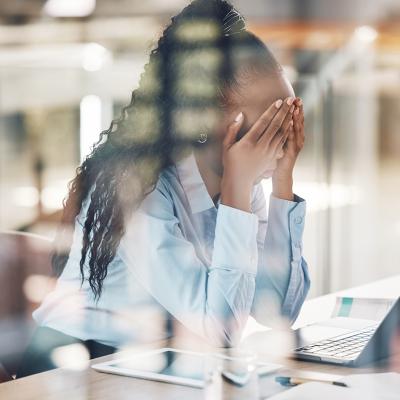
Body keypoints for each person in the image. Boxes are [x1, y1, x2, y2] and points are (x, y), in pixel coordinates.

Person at [17, 0, 309, 377]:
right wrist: (240, 184)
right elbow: (221, 331)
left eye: (288, 116)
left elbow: (277, 311)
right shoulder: (141, 190)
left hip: (151, 357)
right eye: (270, 124)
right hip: (73, 360)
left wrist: (282, 184)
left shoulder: (239, 176)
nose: (284, 139)